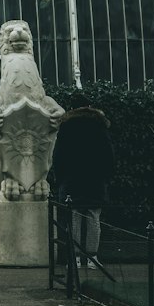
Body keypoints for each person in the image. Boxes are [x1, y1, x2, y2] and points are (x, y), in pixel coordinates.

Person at [50, 93, 114, 267]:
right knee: (93, 218)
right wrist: (106, 177)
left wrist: (60, 179)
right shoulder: (99, 125)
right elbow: (108, 154)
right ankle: (92, 257)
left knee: (75, 218)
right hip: (95, 179)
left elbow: (59, 156)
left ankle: (76, 257)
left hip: (72, 180)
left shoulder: (67, 127)